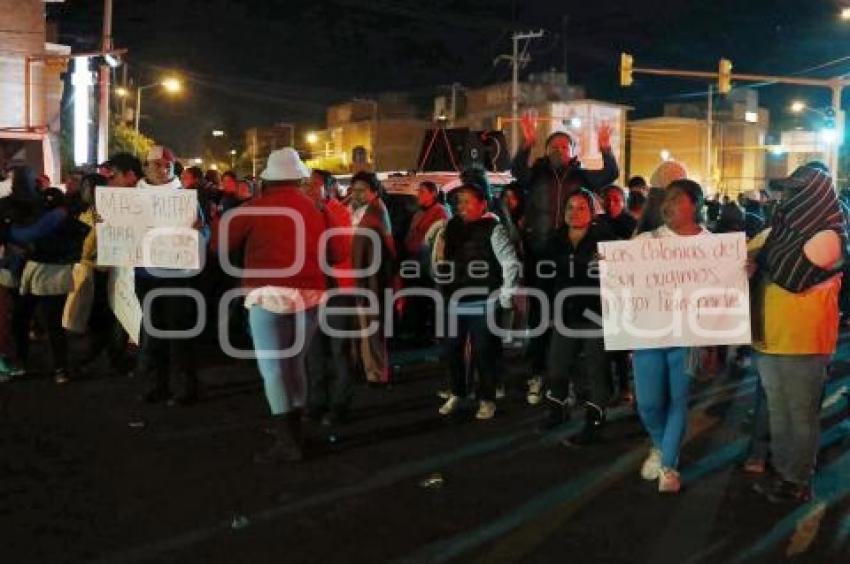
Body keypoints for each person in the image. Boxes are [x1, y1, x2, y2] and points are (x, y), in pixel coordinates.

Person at [212, 148, 326, 463]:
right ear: (299, 178)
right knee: (295, 363)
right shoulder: (316, 208)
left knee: (273, 368)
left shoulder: (253, 209)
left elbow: (219, 246)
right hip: (313, 294)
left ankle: (287, 441)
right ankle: (297, 429)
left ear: (267, 180)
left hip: (268, 293)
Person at [748, 164, 845, 503]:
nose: (786, 197)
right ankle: (784, 471)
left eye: (795, 191)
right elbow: (743, 258)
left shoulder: (830, 235)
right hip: (769, 336)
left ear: (814, 195)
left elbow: (791, 274)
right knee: (778, 411)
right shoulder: (781, 231)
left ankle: (797, 479)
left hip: (804, 340)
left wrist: (758, 258)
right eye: (786, 190)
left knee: (800, 415)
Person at [511, 115, 619, 406]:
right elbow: (515, 171)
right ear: (545, 151)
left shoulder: (581, 176)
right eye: (553, 146)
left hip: (572, 257)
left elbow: (610, 174)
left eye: (564, 145)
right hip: (539, 254)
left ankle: (565, 382)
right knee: (538, 317)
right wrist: (527, 142)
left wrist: (606, 147)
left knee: (567, 317)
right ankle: (537, 375)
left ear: (573, 152)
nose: (559, 150)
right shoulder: (536, 173)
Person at [630, 179, 710, 494]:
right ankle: (662, 445)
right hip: (648, 333)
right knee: (648, 404)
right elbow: (622, 270)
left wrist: (742, 270)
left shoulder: (711, 245)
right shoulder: (647, 240)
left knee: (678, 400)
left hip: (688, 335)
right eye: (667, 199)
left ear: (696, 204)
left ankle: (668, 466)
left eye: (678, 198)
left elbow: (726, 284)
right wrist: (607, 266)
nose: (669, 204)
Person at [433, 182, 520, 420]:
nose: (462, 206)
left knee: (484, 352)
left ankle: (487, 398)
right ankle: (459, 391)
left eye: (467, 201)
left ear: (482, 204)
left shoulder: (494, 228)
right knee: (451, 349)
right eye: (459, 202)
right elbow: (443, 260)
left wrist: (505, 296)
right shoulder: (451, 227)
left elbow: (510, 263)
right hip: (455, 299)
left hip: (484, 301)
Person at [541, 190, 615, 443]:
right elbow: (545, 277)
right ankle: (557, 410)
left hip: (595, 313)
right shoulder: (555, 239)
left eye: (581, 207)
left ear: (592, 213)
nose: (574, 212)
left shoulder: (605, 240)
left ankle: (595, 420)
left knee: (596, 369)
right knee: (557, 366)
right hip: (564, 312)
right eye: (570, 207)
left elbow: (619, 275)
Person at [134, 146, 206, 406]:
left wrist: (198, 232)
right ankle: (158, 385)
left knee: (179, 332)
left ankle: (185, 387)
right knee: (154, 331)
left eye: (168, 166)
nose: (163, 170)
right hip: (145, 274)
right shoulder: (131, 198)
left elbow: (204, 234)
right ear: (146, 167)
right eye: (157, 165)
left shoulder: (185, 197)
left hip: (177, 274)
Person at [5, 165, 90, 383]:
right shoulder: (16, 207)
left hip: (50, 272)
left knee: (46, 322)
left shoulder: (56, 207)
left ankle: (57, 366)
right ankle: (37, 364)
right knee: (25, 320)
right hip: (36, 270)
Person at [304, 169, 356, 427]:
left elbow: (339, 247)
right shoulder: (302, 212)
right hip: (312, 291)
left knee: (338, 351)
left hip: (338, 291)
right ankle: (316, 401)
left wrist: (321, 210)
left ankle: (340, 404)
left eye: (314, 184)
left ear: (329, 188)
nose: (308, 189)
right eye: (305, 184)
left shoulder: (339, 212)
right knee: (312, 351)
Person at [349, 171, 397, 385]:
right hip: (361, 279)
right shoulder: (362, 210)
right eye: (354, 190)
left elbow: (387, 249)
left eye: (361, 190)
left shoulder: (375, 213)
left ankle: (376, 373)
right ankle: (367, 369)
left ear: (373, 192)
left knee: (371, 329)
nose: (356, 194)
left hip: (370, 280)